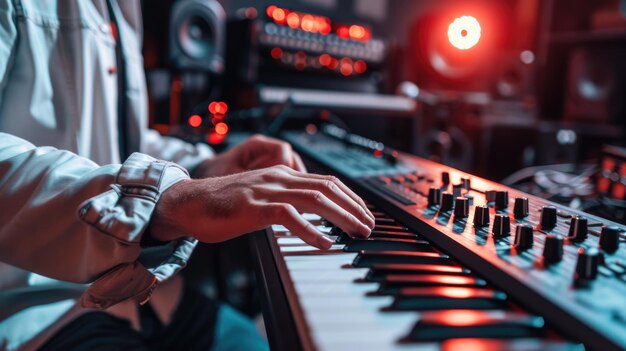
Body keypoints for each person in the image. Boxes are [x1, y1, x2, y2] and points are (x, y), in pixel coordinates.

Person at [0, 1, 374, 350]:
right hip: (35, 304)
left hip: (144, 292)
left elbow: (120, 140)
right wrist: (166, 198)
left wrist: (207, 169)